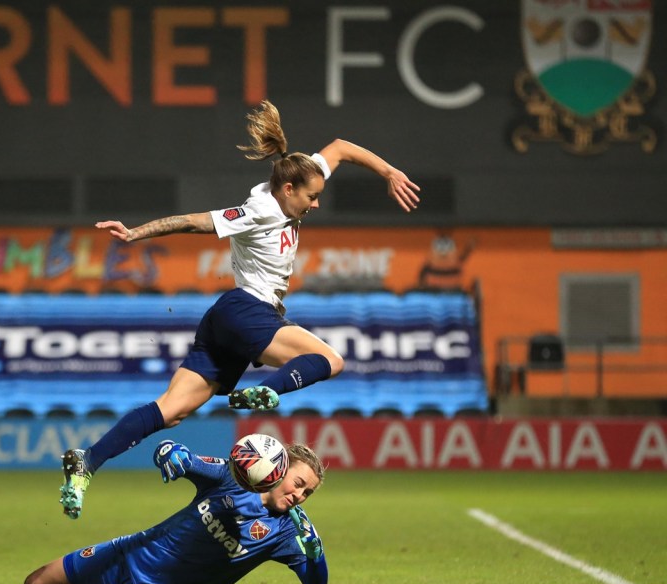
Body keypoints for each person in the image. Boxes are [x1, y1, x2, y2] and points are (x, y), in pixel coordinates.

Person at [60, 99, 420, 519]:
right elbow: (193, 221)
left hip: (226, 320)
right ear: (289, 189)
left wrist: (389, 172)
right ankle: (268, 391)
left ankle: (87, 461)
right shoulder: (259, 211)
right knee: (331, 360)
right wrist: (136, 233)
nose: (316, 204)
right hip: (248, 309)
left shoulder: (295, 179)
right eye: (312, 197)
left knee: (171, 410)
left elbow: (340, 148)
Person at [0, 437, 327, 584]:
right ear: (278, 469)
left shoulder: (287, 533)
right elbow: (176, 453)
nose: (299, 495)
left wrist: (315, 553)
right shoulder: (229, 477)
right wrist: (171, 453)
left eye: (307, 492)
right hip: (130, 552)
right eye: (298, 483)